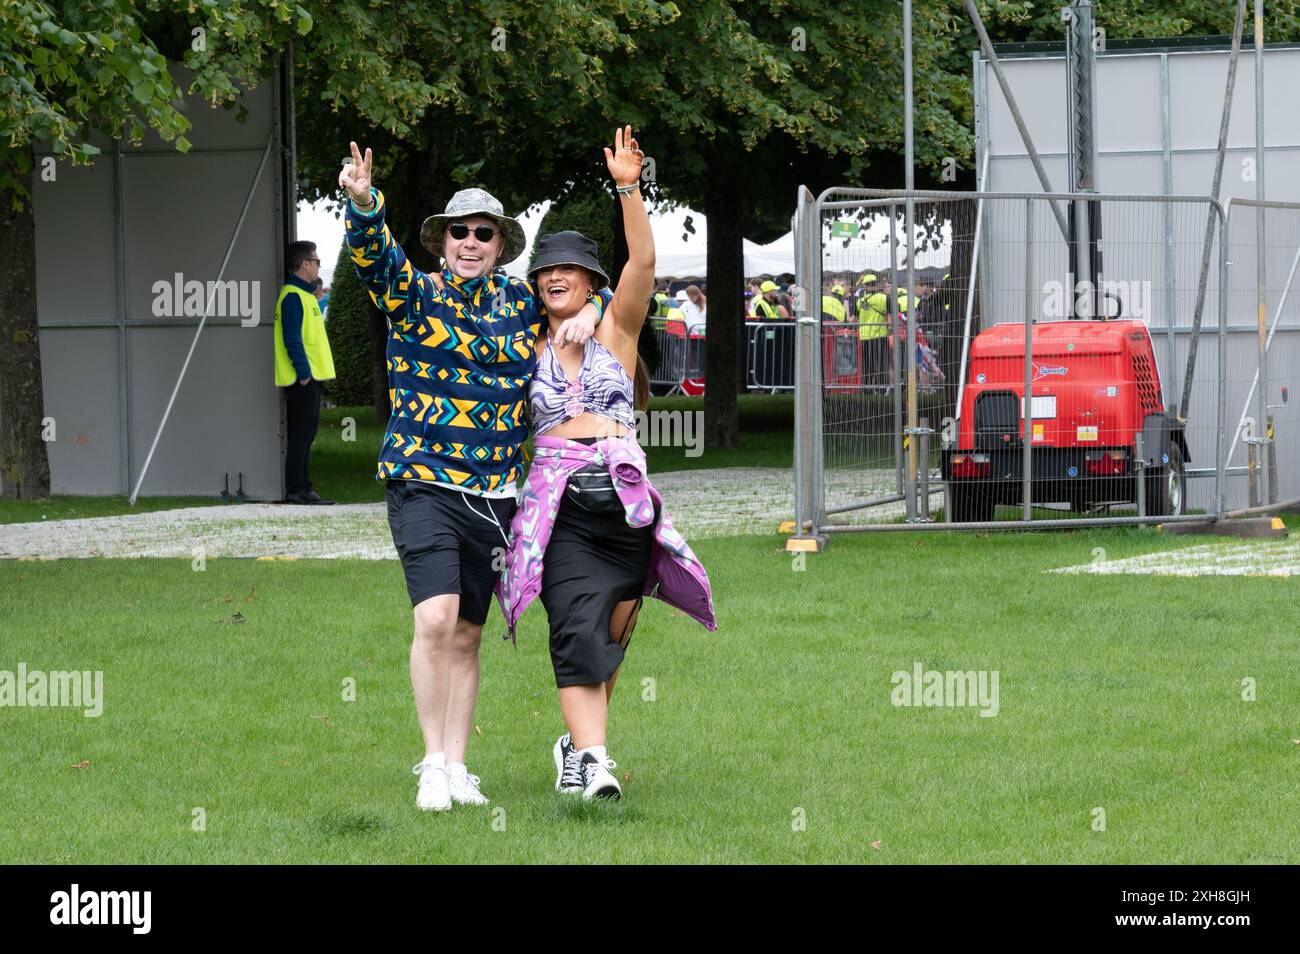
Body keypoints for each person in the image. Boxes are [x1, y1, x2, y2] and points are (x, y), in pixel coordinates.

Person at [338, 141, 608, 812]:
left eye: (483, 233)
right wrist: (364, 201)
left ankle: (460, 766)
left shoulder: (519, 308)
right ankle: (431, 763)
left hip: (495, 498)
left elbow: (580, 305)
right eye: (458, 231)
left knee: (467, 633)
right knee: (435, 619)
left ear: (499, 245)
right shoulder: (414, 296)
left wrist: (592, 311)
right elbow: (375, 259)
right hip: (422, 483)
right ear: (441, 241)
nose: (469, 241)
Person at [500, 127, 716, 800]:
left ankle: (576, 745)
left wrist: (629, 186)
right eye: (545, 269)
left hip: (623, 504)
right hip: (558, 507)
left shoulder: (616, 328)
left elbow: (645, 263)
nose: (554, 276)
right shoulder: (521, 343)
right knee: (573, 628)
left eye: (570, 270)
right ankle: (595, 763)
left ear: (593, 281)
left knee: (611, 635)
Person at [274, 240, 336, 505]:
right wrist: (303, 373)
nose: (318, 267)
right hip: (302, 379)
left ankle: (302, 487)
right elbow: (292, 339)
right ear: (304, 264)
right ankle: (297, 489)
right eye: (316, 261)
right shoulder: (292, 296)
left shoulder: (303, 295)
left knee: (306, 434)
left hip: (310, 377)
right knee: (301, 435)